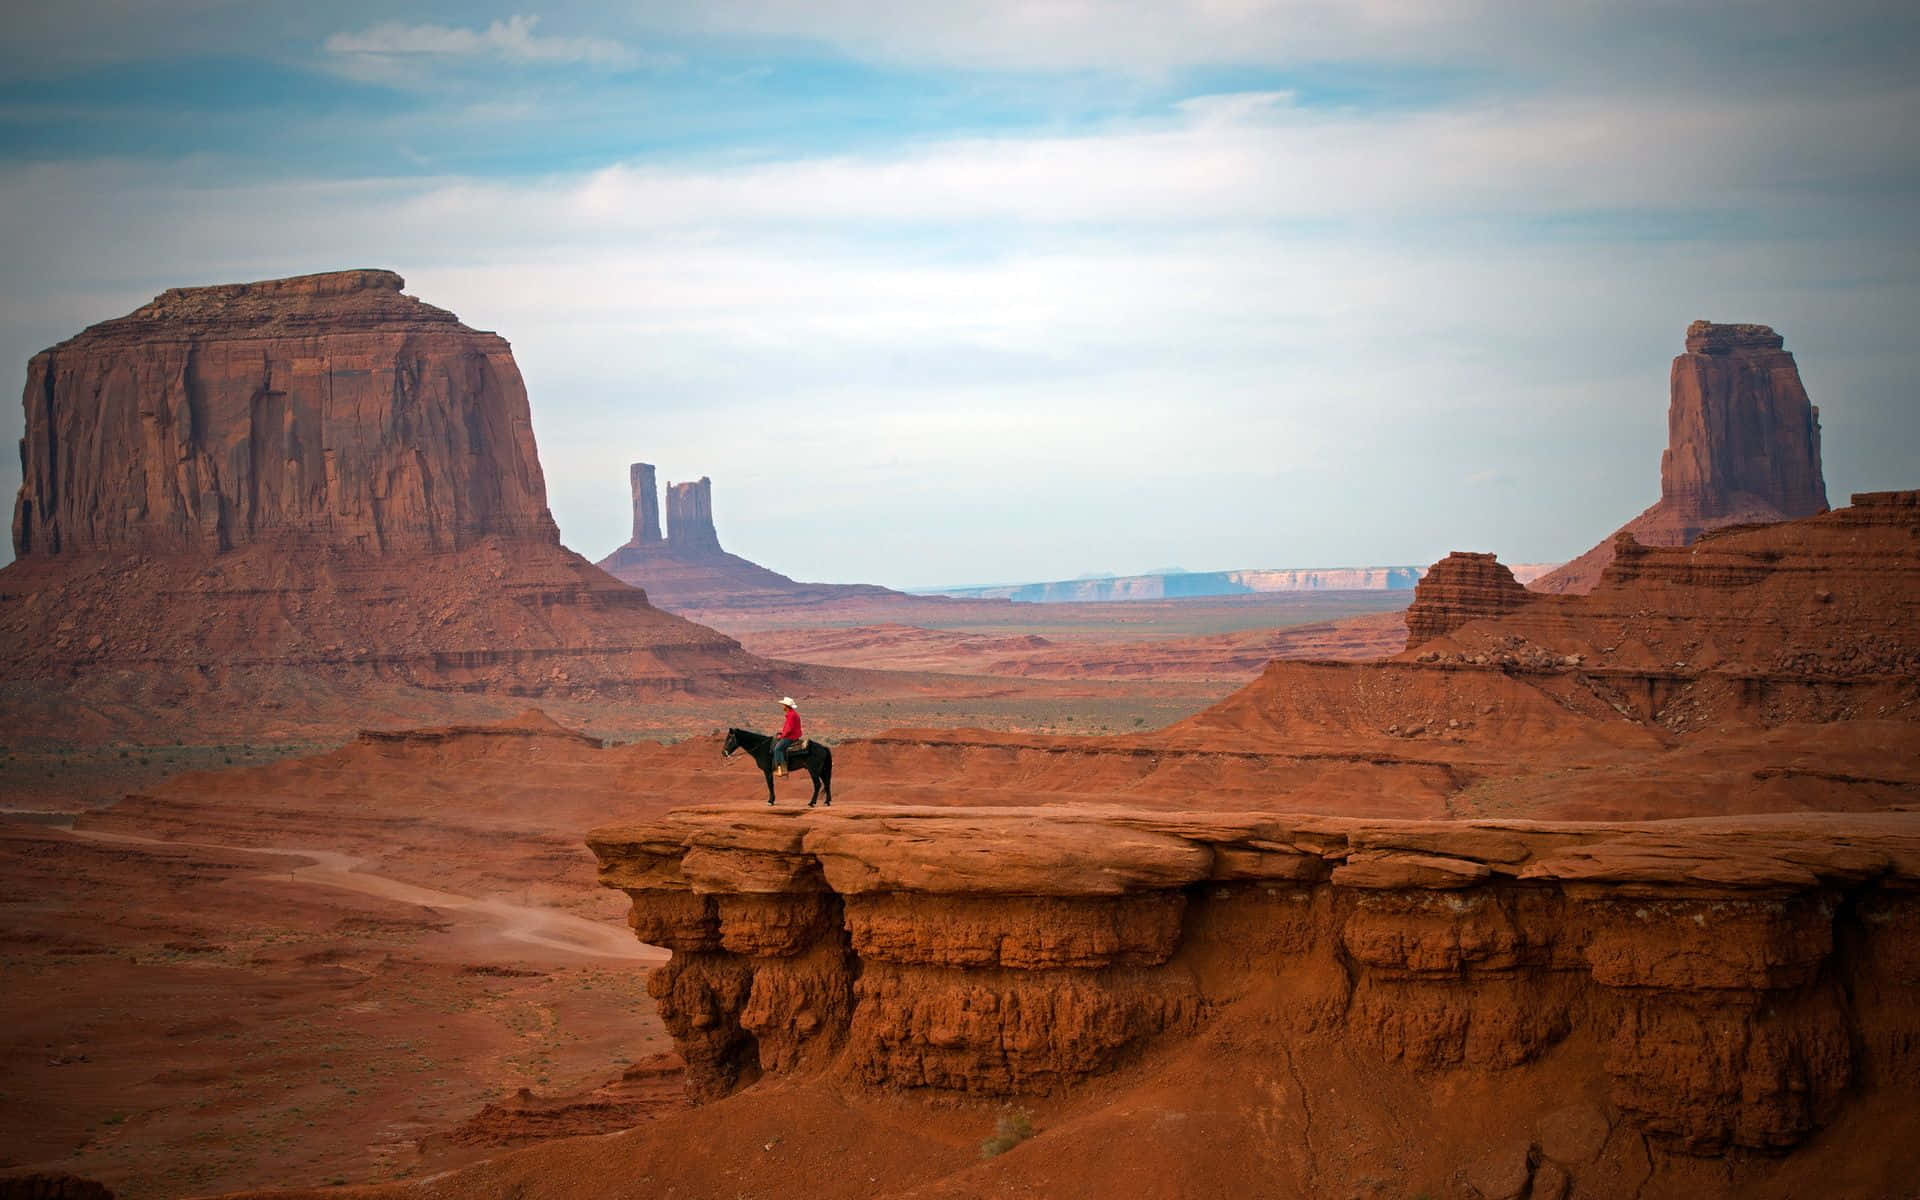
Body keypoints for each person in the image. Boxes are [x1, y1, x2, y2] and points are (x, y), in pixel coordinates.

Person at [771, 697, 802, 777]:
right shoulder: (792, 714)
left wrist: (782, 736)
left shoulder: (791, 715)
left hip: (791, 736)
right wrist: (782, 733)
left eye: (783, 705)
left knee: (778, 749)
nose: (783, 707)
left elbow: (790, 729)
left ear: (787, 706)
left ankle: (783, 769)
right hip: (792, 735)